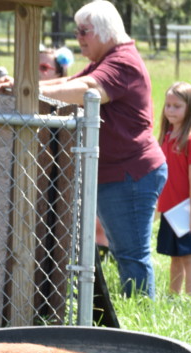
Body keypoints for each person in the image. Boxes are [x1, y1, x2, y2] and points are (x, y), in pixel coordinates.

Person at [26, 0, 166, 298]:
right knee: (123, 251)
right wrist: (27, 86)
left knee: (130, 255)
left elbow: (87, 89)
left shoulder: (122, 61)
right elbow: (72, 80)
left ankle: (143, 319)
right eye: (77, 30)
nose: (78, 37)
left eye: (84, 31)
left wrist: (29, 90)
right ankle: (138, 314)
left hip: (130, 173)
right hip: (120, 173)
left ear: (104, 31)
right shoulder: (110, 58)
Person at [155, 82, 191, 297]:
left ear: (189, 108)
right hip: (168, 208)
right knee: (173, 256)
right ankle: (173, 296)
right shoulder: (166, 136)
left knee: (188, 256)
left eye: (177, 106)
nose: (171, 110)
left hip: (185, 210)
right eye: (168, 105)